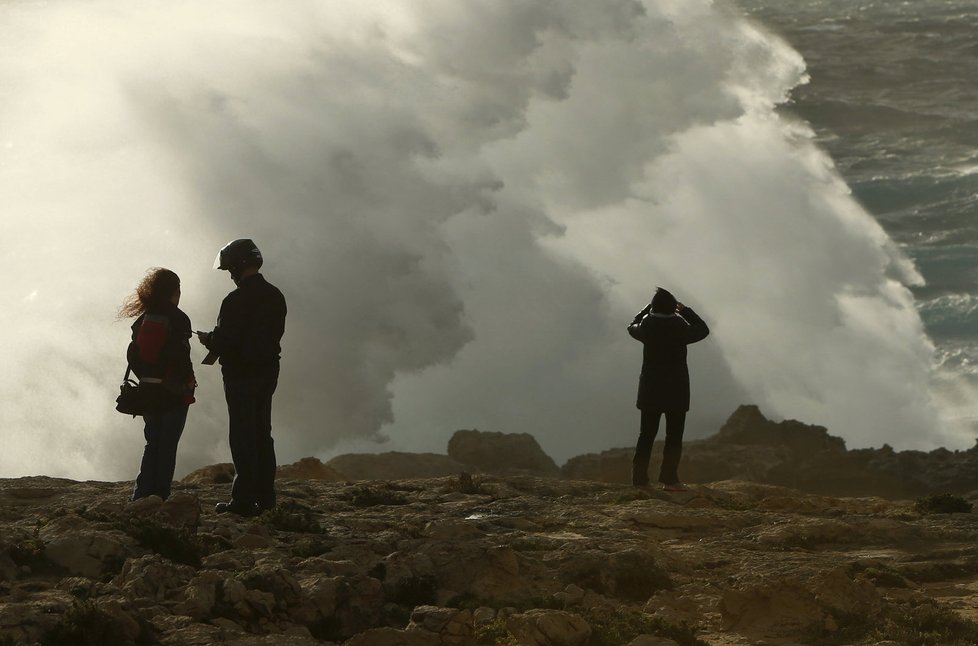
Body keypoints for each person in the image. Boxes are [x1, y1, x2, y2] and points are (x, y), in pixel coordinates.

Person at [198, 239, 287, 516]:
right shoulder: (275, 295)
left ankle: (244, 500)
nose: (230, 275)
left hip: (240, 376)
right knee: (263, 434)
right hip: (268, 372)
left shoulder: (235, 300)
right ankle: (266, 497)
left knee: (242, 436)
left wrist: (208, 339)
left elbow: (226, 341)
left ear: (237, 266)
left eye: (229, 270)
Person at [120, 268, 196, 501]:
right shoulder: (179, 318)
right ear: (174, 291)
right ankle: (160, 495)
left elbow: (134, 354)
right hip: (173, 392)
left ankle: (141, 494)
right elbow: (180, 355)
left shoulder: (143, 318)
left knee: (152, 442)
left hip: (148, 390)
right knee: (167, 445)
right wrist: (188, 382)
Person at [627, 287, 709, 491]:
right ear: (674, 308)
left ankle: (639, 480)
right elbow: (703, 329)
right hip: (677, 390)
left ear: (654, 308)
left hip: (651, 390)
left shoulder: (647, 327)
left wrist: (646, 309)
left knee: (646, 435)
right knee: (674, 436)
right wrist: (686, 311)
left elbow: (631, 325)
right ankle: (670, 480)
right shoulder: (681, 329)